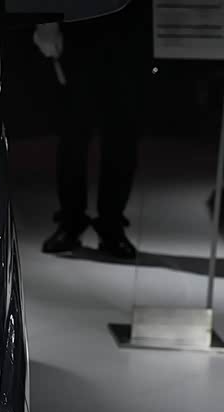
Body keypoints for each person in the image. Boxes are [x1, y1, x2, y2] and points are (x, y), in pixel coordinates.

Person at [33, 0, 152, 259]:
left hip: (128, 23)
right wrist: (47, 23)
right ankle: (72, 219)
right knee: (73, 132)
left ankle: (111, 222)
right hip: (80, 21)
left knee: (121, 132)